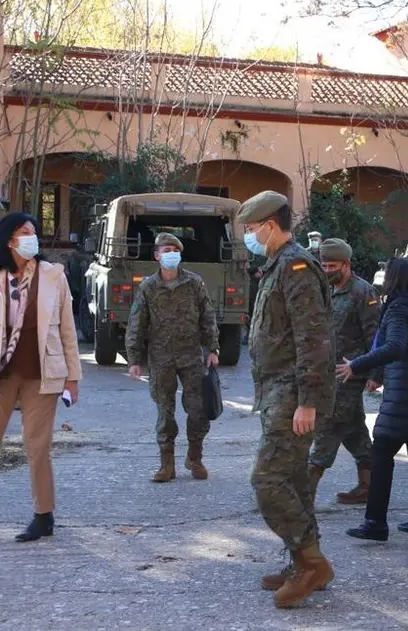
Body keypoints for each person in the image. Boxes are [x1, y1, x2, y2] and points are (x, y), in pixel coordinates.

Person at [0, 213, 82, 546]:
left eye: (34, 232)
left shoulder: (54, 276)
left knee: (38, 448)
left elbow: (68, 330)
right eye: (25, 233)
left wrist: (73, 378)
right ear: (9, 240)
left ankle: (43, 516)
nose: (32, 238)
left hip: (43, 376)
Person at [238, 191, 335, 608]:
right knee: (292, 480)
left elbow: (311, 337)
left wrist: (307, 401)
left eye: (250, 228)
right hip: (278, 390)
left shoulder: (295, 266)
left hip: (294, 392)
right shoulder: (277, 265)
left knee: (267, 479)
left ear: (270, 226)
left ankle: (311, 562)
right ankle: (304, 562)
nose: (248, 236)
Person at [339, 258, 408, 542]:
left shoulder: (397, 307)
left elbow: (394, 346)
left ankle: (375, 522)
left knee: (381, 453)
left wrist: (356, 365)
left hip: (403, 391)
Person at [125, 232, 220, 483]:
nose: (171, 255)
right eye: (166, 250)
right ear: (156, 256)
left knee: (198, 410)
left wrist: (212, 349)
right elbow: (136, 323)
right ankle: (166, 465)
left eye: (174, 250)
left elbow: (207, 317)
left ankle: (195, 457)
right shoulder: (148, 287)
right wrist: (134, 359)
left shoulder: (194, 283)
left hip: (192, 357)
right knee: (165, 413)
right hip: (161, 358)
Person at [309, 238, 380, 504]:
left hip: (350, 373)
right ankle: (369, 486)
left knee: (329, 426)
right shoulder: (324, 289)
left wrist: (375, 373)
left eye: (333, 265)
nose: (327, 270)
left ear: (347, 264)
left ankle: (306, 492)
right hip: (326, 373)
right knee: (354, 431)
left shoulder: (363, 293)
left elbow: (375, 337)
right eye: (324, 265)